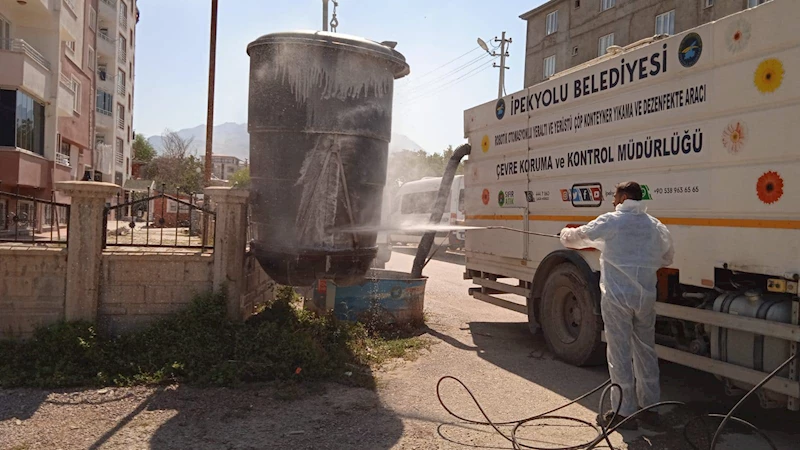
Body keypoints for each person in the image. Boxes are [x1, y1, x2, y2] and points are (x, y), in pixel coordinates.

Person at [559, 181, 674, 430]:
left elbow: (577, 238)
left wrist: (564, 233)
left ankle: (623, 412)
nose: (612, 201)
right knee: (646, 351)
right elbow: (667, 257)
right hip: (645, 298)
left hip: (617, 298)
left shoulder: (611, 221)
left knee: (619, 353)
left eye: (614, 196)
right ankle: (650, 409)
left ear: (623, 197)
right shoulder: (655, 226)